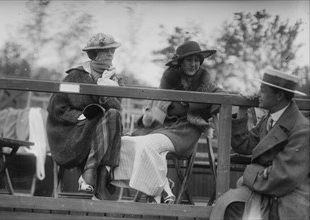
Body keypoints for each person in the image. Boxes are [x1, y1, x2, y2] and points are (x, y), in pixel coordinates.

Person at [111, 41, 225, 203]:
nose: (194, 64)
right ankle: (163, 185)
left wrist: (241, 100)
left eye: (196, 60)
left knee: (148, 146)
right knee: (124, 142)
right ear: (180, 62)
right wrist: (154, 114)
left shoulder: (205, 82)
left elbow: (222, 95)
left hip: (186, 131)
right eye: (189, 60)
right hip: (163, 128)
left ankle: (161, 190)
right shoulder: (169, 79)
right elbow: (156, 116)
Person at [210, 67, 309, 220]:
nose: (257, 95)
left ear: (279, 96)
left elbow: (281, 178)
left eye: (263, 90)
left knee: (236, 207)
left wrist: (248, 174)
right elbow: (244, 145)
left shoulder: (302, 129)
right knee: (226, 203)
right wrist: (243, 109)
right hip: (264, 189)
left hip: (288, 198)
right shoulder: (270, 119)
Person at [46, 33, 124, 200]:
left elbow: (118, 109)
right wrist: (81, 117)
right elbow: (55, 109)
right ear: (94, 54)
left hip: (100, 134)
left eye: (112, 51)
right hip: (72, 134)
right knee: (103, 122)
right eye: (106, 51)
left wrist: (105, 90)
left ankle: (91, 172)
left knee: (113, 115)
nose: (111, 54)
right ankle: (99, 183)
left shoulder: (115, 79)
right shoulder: (75, 76)